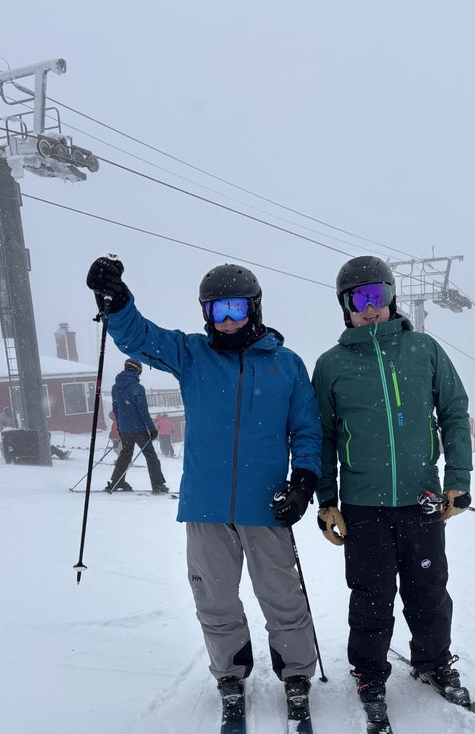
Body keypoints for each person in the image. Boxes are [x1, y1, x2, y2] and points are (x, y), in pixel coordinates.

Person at [86, 256, 323, 700]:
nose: (227, 320)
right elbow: (139, 337)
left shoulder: (286, 365)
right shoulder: (192, 354)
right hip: (206, 505)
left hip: (266, 503)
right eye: (217, 310)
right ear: (205, 313)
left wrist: (304, 481)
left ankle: (296, 671)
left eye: (236, 308)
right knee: (214, 598)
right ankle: (230, 671)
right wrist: (117, 303)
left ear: (255, 308)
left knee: (282, 595)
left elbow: (307, 429)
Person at [311, 255, 473, 713]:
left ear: (391, 298)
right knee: (371, 594)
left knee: (429, 589)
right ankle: (368, 672)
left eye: (376, 296)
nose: (369, 307)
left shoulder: (423, 349)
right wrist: (327, 499)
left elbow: (454, 411)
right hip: (363, 505)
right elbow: (321, 435)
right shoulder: (331, 364)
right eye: (357, 299)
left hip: (423, 498)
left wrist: (457, 479)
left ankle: (434, 661)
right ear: (344, 306)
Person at [106, 359, 170, 494]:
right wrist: (151, 428)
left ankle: (117, 482)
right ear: (137, 370)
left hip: (124, 429)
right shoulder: (137, 388)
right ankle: (158, 485)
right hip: (138, 429)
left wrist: (120, 426)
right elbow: (143, 411)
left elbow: (116, 409)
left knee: (125, 455)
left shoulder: (115, 387)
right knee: (150, 456)